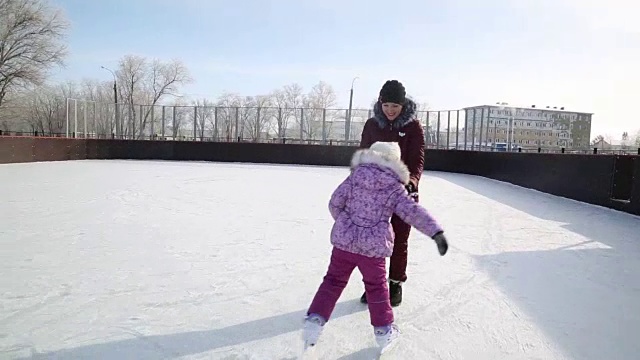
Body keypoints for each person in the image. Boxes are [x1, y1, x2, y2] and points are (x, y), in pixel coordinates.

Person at [302, 141, 448, 351]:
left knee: (332, 281)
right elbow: (412, 212)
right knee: (377, 287)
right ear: (395, 161)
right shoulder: (394, 187)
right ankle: (383, 332)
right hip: (373, 248)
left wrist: (345, 222)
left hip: (344, 244)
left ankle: (314, 321)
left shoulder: (355, 177)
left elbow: (334, 203)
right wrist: (436, 232)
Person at [359, 79, 425, 307]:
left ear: (403, 105)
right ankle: (374, 284)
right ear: (380, 103)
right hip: (375, 193)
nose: (390, 110)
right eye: (386, 105)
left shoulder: (413, 127)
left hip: (403, 192)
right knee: (373, 239)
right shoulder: (371, 125)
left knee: (399, 240)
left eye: (395, 106)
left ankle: (395, 283)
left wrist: (413, 181)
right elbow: (363, 155)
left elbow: (417, 160)